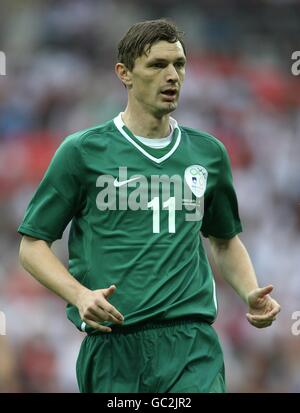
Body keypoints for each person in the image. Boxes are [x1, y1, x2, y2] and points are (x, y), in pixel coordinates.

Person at [18, 19, 281, 393]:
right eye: (158, 65)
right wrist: (79, 295)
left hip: (191, 345)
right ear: (124, 73)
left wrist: (250, 291)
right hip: (113, 346)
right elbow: (32, 245)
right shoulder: (82, 152)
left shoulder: (208, 153)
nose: (172, 75)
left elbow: (223, 241)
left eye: (180, 64)